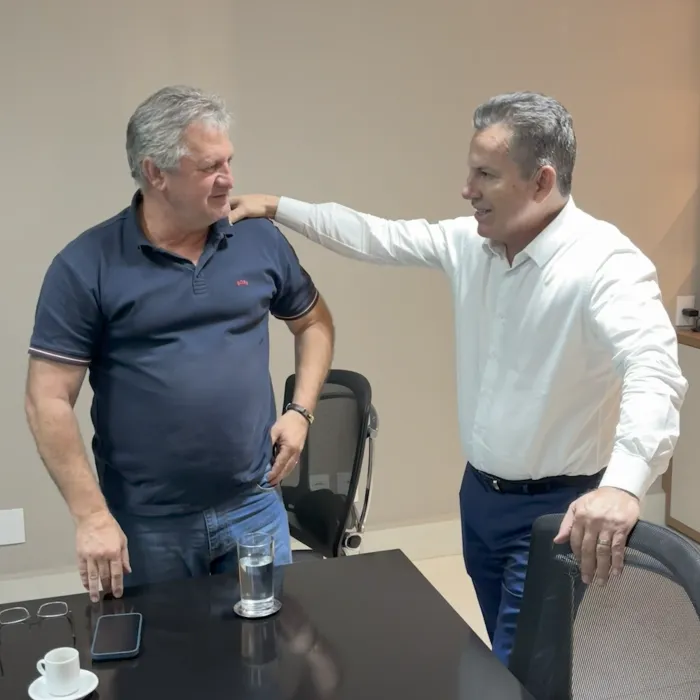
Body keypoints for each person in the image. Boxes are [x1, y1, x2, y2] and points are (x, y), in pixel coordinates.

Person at [226, 91, 687, 665]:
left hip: (556, 511)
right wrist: (276, 206)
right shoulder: (472, 243)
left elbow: (654, 370)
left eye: (485, 175)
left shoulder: (606, 264)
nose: (467, 190)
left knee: (520, 667)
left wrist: (623, 485)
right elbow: (374, 235)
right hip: (480, 499)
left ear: (541, 182)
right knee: (506, 655)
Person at [25, 85, 335, 602]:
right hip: (147, 523)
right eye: (210, 167)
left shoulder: (257, 238)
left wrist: (301, 411)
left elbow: (315, 323)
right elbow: (47, 399)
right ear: (155, 173)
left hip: (254, 504)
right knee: (163, 651)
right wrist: (91, 515)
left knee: (268, 647)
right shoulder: (85, 265)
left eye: (229, 161)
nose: (229, 179)